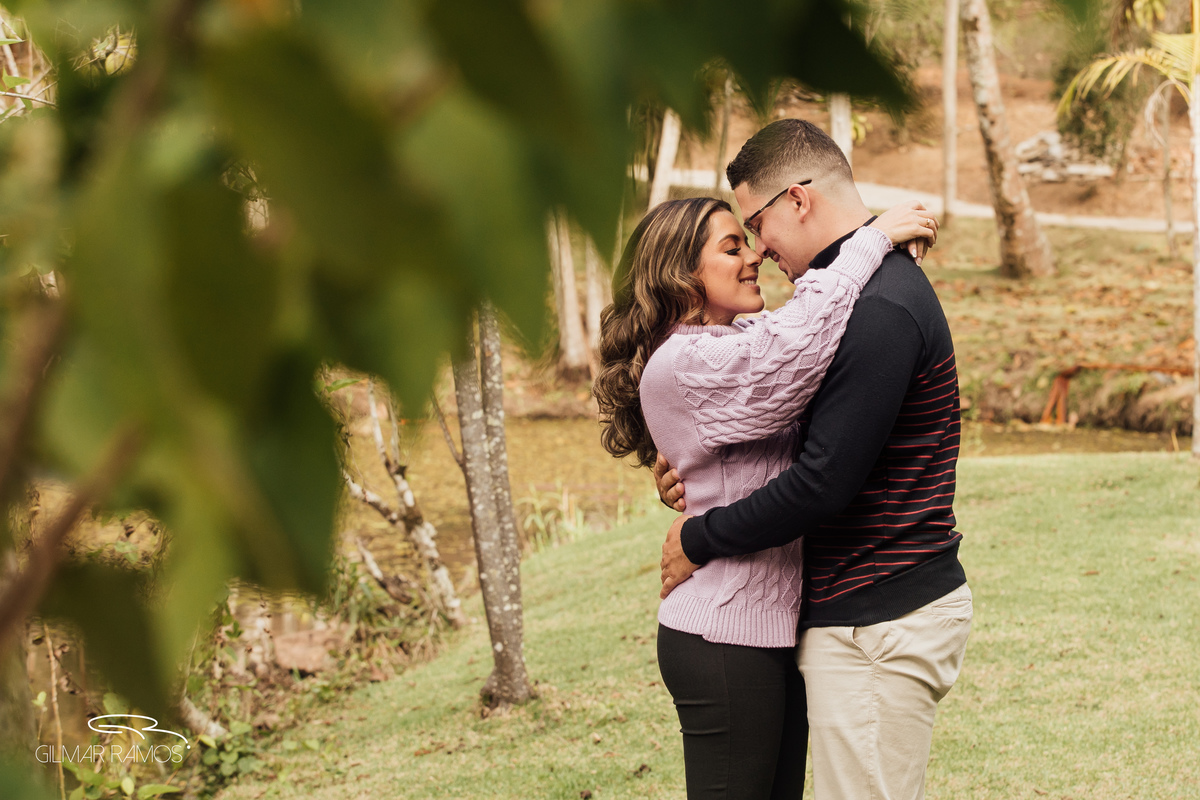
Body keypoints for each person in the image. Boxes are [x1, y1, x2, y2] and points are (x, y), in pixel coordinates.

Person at [656, 118, 972, 800]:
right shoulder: (844, 301)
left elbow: (821, 481)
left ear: (798, 201)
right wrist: (700, 470)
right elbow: (771, 406)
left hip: (878, 620)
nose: (760, 250)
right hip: (855, 614)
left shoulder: (877, 306)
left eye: (756, 224)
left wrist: (699, 538)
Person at [593, 194, 936, 799]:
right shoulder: (683, 362)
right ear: (681, 274)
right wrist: (872, 240)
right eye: (732, 247)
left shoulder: (742, 336)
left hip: (773, 630)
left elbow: (812, 322)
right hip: (722, 636)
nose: (753, 256)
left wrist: (882, 240)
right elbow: (796, 350)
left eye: (749, 241)